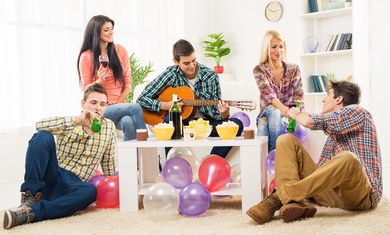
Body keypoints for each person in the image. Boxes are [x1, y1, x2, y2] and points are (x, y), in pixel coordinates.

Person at [246, 81, 382, 224]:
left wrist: (295, 113)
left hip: (360, 195)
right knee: (285, 139)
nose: (323, 99)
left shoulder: (358, 112)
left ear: (339, 99)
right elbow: (322, 173)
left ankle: (279, 197)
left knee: (349, 159)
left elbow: (309, 121)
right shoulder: (333, 134)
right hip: (332, 195)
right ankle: (293, 203)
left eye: (328, 94)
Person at [3, 83, 117, 230]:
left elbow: (108, 162)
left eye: (103, 104)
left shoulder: (109, 127)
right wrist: (77, 121)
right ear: (83, 103)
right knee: (42, 136)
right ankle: (30, 197)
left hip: (74, 185)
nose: (98, 107)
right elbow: (39, 125)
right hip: (54, 175)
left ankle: (30, 214)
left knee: (90, 191)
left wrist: (114, 187)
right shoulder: (71, 122)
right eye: (93, 102)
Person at [136, 39, 243, 158]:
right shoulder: (171, 74)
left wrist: (224, 114)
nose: (192, 66)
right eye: (186, 63)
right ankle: (173, 165)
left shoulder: (210, 76)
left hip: (206, 126)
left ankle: (211, 160)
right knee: (169, 122)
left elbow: (216, 111)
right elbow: (142, 99)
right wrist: (165, 105)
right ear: (176, 62)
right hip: (182, 126)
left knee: (237, 124)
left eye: (194, 60)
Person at [77, 15, 147, 141]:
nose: (111, 33)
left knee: (127, 122)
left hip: (119, 105)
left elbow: (128, 83)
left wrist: (120, 103)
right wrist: (99, 81)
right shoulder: (86, 56)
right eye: (106, 30)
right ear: (95, 32)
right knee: (135, 107)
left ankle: (133, 160)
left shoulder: (120, 51)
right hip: (100, 108)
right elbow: (86, 90)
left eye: (111, 29)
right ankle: (148, 150)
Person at [253, 30, 304, 152]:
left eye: (281, 46)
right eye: (274, 47)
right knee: (273, 112)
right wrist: (284, 109)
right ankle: (276, 155)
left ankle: (268, 164)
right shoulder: (259, 70)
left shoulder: (294, 69)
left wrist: (294, 116)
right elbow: (269, 96)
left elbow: (299, 97)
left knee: (263, 125)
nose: (278, 51)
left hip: (288, 115)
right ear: (266, 49)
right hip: (268, 112)